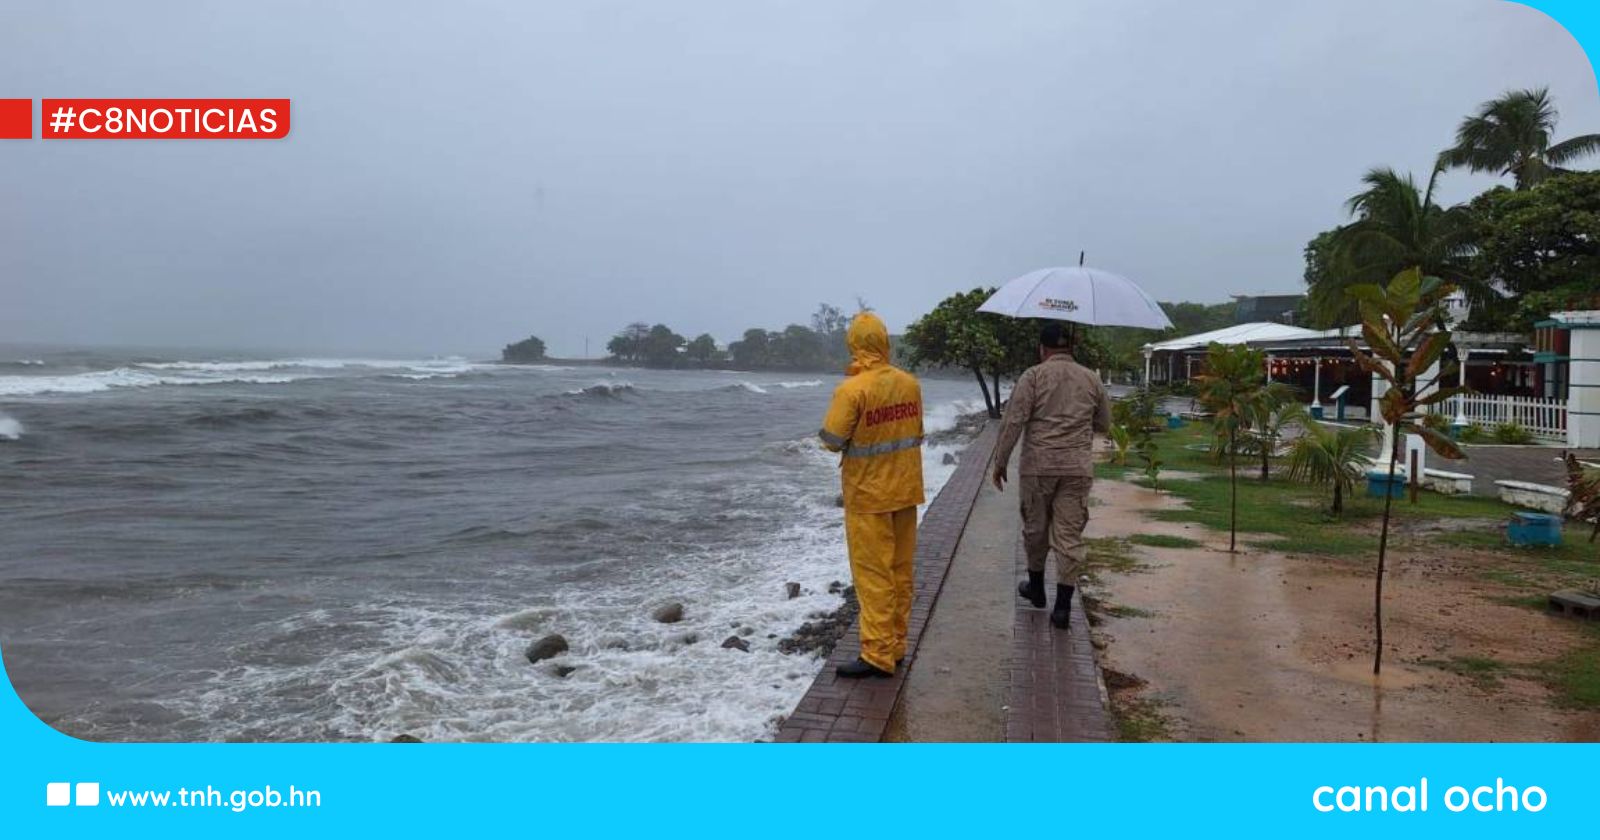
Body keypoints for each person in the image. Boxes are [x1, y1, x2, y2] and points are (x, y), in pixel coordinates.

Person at [818, 311, 925, 678]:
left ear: (854, 345)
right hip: (906, 491)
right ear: (884, 342)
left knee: (873, 576)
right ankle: (896, 645)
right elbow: (916, 433)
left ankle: (877, 655)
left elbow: (832, 440)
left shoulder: (852, 390)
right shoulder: (910, 384)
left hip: (868, 496)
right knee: (900, 572)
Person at [991, 321, 1111, 630]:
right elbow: (1104, 423)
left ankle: (1036, 588)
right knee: (1068, 536)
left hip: (1038, 468)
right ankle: (1062, 608)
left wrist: (1000, 462)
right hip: (1076, 469)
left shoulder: (1033, 376)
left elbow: (1014, 421)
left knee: (1036, 529)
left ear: (1042, 349)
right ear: (1071, 348)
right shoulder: (1092, 380)